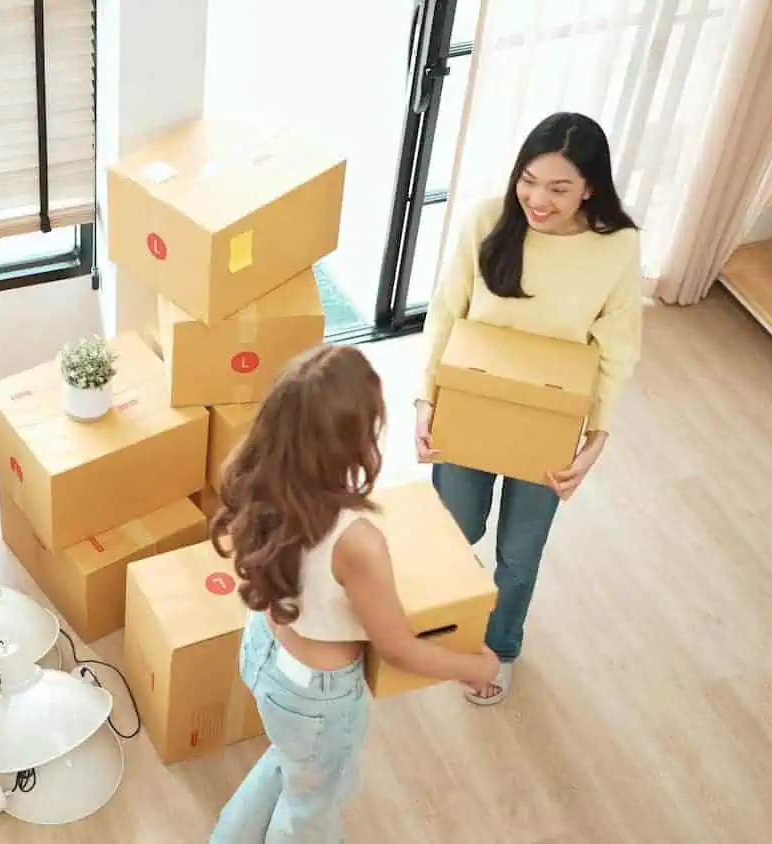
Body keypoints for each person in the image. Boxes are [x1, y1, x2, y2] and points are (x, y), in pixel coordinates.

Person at [208, 344, 501, 844]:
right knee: (311, 812)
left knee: (288, 763)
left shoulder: (258, 478)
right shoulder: (356, 542)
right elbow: (397, 647)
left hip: (264, 651)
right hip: (315, 698)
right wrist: (476, 668)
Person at [415, 111, 643, 706]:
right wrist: (425, 399)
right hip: (471, 400)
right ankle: (440, 620)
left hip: (549, 419)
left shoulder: (617, 247)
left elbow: (618, 349)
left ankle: (500, 647)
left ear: (590, 188)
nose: (538, 200)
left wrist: (597, 437)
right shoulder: (487, 220)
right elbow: (446, 312)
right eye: (529, 180)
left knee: (519, 552)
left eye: (559, 188)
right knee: (455, 528)